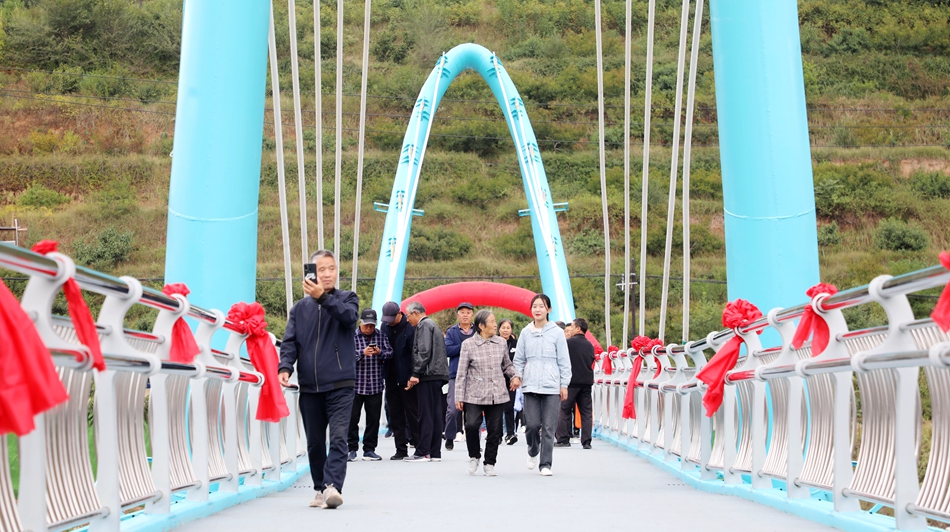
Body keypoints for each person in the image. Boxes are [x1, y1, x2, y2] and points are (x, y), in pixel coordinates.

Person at [278, 250, 359, 509]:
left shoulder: (348, 299)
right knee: (314, 443)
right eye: (321, 269)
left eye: (331, 268)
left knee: (338, 438)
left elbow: (349, 318)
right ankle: (319, 488)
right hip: (310, 387)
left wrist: (323, 298)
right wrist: (285, 367)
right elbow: (290, 342)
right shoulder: (300, 309)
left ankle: (333, 486)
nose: (327, 273)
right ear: (310, 273)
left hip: (340, 384)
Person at [456, 310, 522, 476]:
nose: (495, 325)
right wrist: (459, 396)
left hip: (496, 392)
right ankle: (474, 456)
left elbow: (507, 365)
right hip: (474, 393)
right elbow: (461, 373)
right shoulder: (468, 345)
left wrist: (515, 376)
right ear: (481, 325)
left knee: (494, 430)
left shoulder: (501, 343)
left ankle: (490, 463)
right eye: (492, 322)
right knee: (471, 425)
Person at [512, 293, 571, 477]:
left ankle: (545, 464)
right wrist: (517, 376)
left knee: (548, 427)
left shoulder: (557, 332)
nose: (537, 310)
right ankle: (533, 449)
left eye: (541, 306)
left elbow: (564, 361)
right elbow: (518, 359)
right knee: (531, 425)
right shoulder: (525, 332)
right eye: (535, 306)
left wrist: (564, 384)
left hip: (551, 386)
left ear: (548, 309)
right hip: (530, 386)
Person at [404, 302, 449, 462]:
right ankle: (435, 452)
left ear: (416, 313)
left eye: (408, 315)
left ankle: (423, 451)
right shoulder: (433, 325)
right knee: (436, 414)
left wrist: (416, 373)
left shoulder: (423, 325)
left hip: (428, 374)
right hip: (438, 375)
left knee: (425, 414)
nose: (407, 319)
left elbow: (424, 351)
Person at [347, 309, 393, 462]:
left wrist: (380, 352)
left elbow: (390, 353)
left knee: (373, 420)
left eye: (372, 325)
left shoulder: (381, 335)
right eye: (366, 325)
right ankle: (351, 448)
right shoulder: (351, 336)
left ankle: (369, 449)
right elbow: (345, 356)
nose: (369, 328)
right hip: (355, 385)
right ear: (360, 323)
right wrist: (362, 352)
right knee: (352, 419)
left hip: (375, 385)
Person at [380, 301, 421, 460]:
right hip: (390, 378)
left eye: (392, 318)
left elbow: (415, 353)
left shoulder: (410, 327)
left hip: (407, 378)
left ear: (399, 314)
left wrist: (414, 375)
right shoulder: (384, 327)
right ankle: (400, 449)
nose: (389, 322)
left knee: (412, 414)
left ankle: (419, 447)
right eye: (387, 319)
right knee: (395, 415)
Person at [555, 318, 595, 449]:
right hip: (586, 382)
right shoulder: (589, 345)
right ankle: (587, 441)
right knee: (586, 412)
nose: (570, 330)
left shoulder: (568, 343)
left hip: (571, 383)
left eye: (572, 327)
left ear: (578, 328)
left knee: (564, 410)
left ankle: (563, 439)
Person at [443, 302, 476, 450]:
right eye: (462, 312)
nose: (465, 315)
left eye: (468, 312)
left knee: (474, 410)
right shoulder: (452, 332)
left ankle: (474, 442)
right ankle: (449, 436)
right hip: (455, 374)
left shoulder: (478, 330)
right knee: (452, 408)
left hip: (475, 375)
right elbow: (447, 350)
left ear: (472, 314)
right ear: (458, 315)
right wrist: (465, 346)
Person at [498, 318, 519, 445]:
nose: (505, 330)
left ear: (511, 330)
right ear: (499, 329)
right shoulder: (494, 341)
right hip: (496, 379)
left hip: (511, 379)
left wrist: (516, 377)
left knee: (509, 406)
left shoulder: (516, 344)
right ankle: (497, 434)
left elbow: (519, 361)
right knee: (497, 408)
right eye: (503, 328)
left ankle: (510, 433)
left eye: (508, 328)